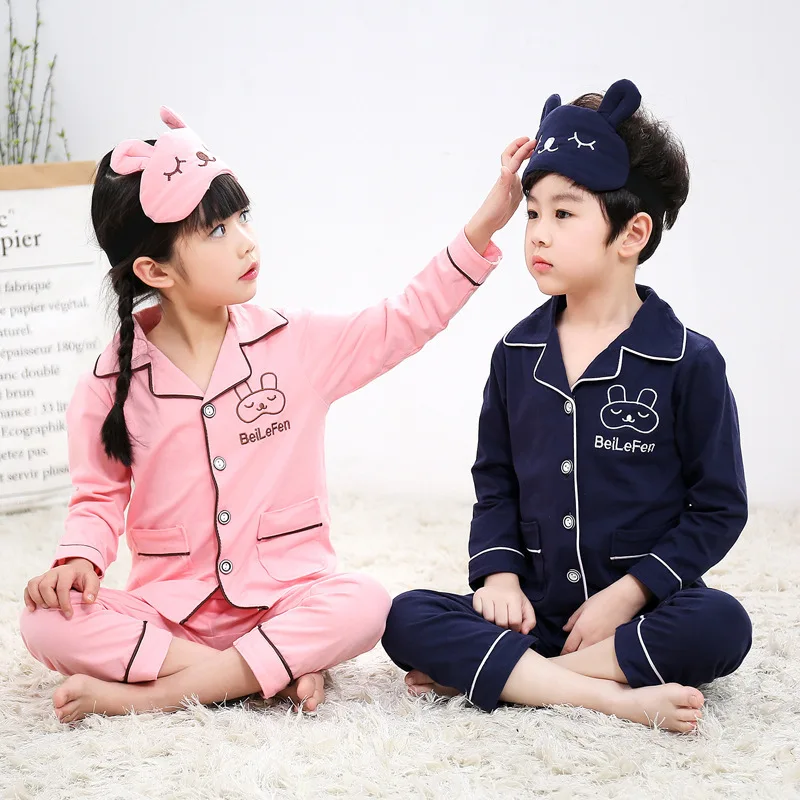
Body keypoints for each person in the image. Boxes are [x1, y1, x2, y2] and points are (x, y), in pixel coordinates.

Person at [20, 105, 536, 723]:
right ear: (155, 271)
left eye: (242, 218)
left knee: (366, 602)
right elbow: (98, 499)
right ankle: (259, 670)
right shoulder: (108, 384)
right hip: (169, 614)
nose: (246, 241)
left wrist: (484, 225)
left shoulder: (296, 345)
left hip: (284, 600)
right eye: (216, 231)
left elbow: (402, 320)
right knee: (43, 620)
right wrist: (79, 561)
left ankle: (161, 691)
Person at [382, 79, 752, 733]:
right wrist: (499, 577)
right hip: (533, 609)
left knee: (723, 624)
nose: (538, 235)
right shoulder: (515, 354)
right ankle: (605, 693)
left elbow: (718, 506)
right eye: (531, 214)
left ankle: (518, 677)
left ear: (632, 233)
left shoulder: (688, 360)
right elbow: (495, 481)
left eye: (563, 214)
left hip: (636, 614)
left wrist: (630, 594)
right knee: (405, 617)